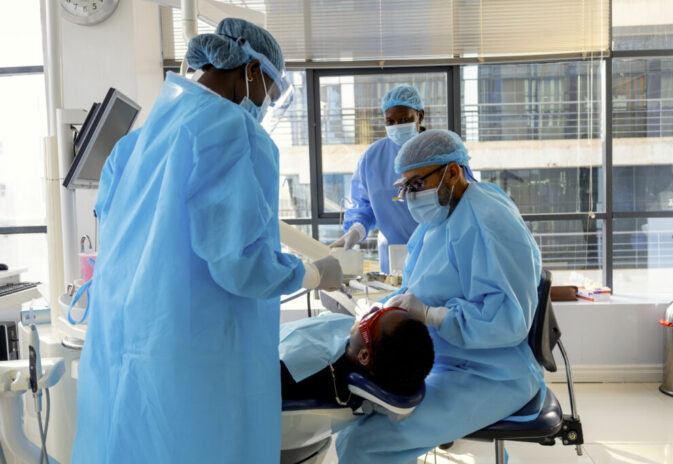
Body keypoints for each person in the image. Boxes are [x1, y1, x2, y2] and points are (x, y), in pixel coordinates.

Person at [71, 18, 343, 464]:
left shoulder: (134, 143)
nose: (264, 105)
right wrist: (313, 274)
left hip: (122, 342)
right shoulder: (231, 130)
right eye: (269, 93)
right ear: (250, 71)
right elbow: (240, 264)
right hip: (192, 353)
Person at [335, 130, 544, 463]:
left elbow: (509, 320)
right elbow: (418, 282)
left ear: (453, 172)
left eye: (417, 184)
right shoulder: (441, 216)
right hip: (451, 361)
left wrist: (431, 314)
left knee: (363, 442)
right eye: (405, 187)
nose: (411, 196)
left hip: (490, 375)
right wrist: (389, 304)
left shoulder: (487, 221)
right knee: (356, 414)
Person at [332, 85, 477, 274]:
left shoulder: (441, 150)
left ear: (420, 115)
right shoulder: (372, 158)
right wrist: (356, 230)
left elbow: (463, 194)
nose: (397, 126)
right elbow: (365, 206)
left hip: (440, 252)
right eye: (390, 121)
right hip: (395, 256)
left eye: (404, 119)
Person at [280, 309, 435, 405]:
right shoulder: (358, 341)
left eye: (373, 318)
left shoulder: (298, 371)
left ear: (364, 356)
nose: (372, 310)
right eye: (384, 309)